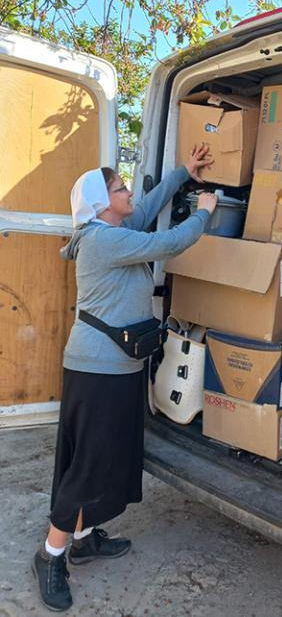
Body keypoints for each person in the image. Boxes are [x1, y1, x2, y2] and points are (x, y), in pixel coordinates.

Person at [32, 144, 217, 612]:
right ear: (101, 203)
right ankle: (51, 554)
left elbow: (150, 207)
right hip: (99, 370)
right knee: (89, 463)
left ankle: (84, 537)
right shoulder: (103, 241)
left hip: (115, 367)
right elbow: (168, 243)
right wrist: (205, 213)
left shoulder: (113, 227)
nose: (129, 191)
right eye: (120, 188)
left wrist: (182, 175)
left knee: (107, 456)